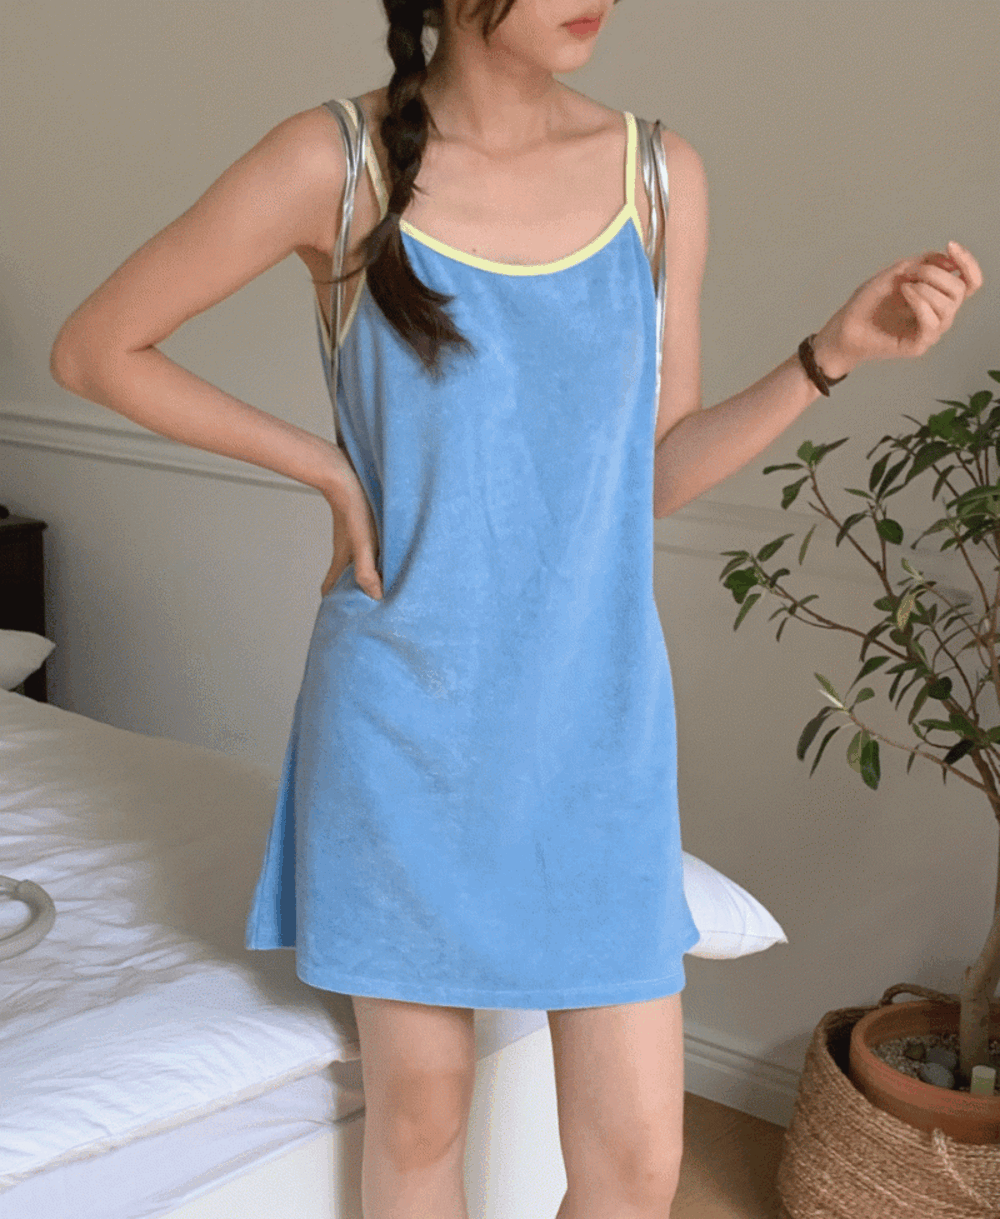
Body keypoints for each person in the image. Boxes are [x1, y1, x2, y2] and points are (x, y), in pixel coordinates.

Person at [48, 2, 982, 1217]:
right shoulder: (335, 162)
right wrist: (326, 467)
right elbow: (97, 349)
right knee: (422, 1117)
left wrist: (832, 353)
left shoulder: (659, 175)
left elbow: (651, 475)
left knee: (637, 1163)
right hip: (403, 721)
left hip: (596, 725)